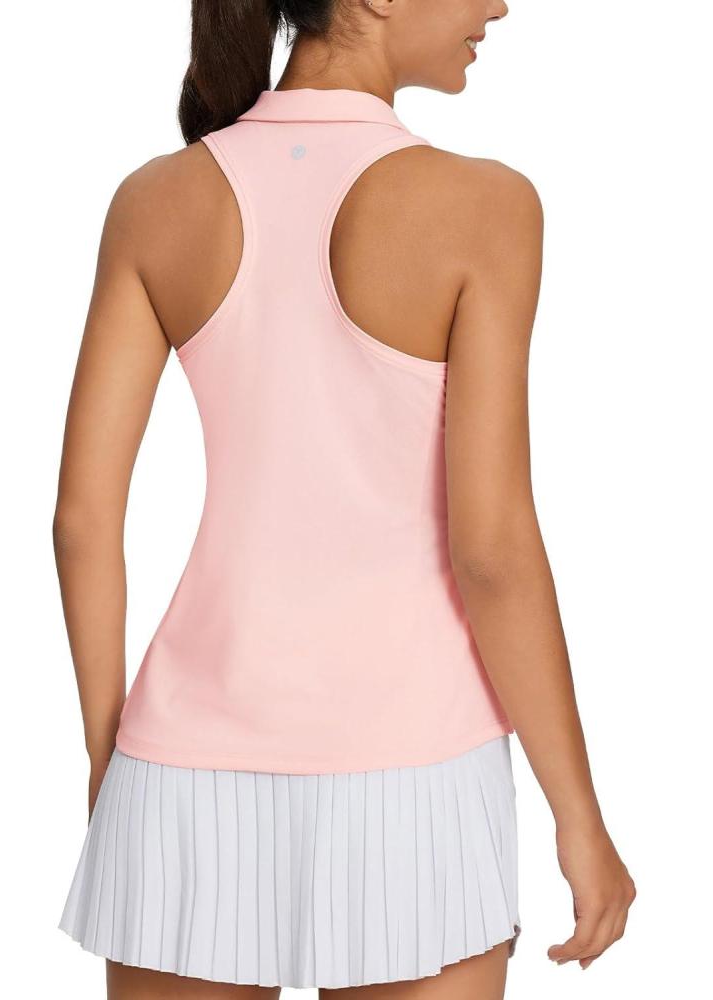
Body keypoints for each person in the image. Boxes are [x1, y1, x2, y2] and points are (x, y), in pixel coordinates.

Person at [53, 1, 636, 997]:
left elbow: (82, 520)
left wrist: (111, 764)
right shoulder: (485, 206)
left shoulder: (157, 200)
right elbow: (490, 550)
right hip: (415, 770)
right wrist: (576, 815)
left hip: (183, 768)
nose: (498, 5)